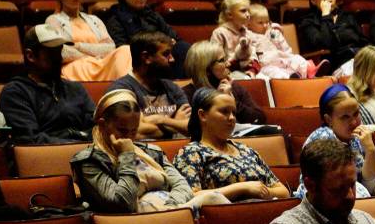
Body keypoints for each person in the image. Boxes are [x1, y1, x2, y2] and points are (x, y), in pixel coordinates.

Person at [71, 89, 228, 213]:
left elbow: (182, 186)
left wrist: (170, 208)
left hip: (171, 212)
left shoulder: (152, 152)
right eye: (122, 130)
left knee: (215, 200)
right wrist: (126, 156)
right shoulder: (89, 161)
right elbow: (123, 204)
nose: (130, 138)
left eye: (134, 131)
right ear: (103, 124)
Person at [173, 87, 290, 201]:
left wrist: (263, 192)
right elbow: (190, 196)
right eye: (224, 111)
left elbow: (283, 192)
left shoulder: (246, 150)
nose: (232, 118)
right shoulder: (191, 153)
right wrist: (242, 188)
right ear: (202, 115)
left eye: (233, 112)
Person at [0, 25, 95, 144]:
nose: (59, 58)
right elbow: (30, 141)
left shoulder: (75, 89)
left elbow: (97, 128)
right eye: (52, 53)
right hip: (45, 159)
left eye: (60, 51)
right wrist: (77, 144)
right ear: (30, 56)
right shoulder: (16, 93)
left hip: (86, 156)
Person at [44, 0, 132, 81]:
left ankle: (127, 93)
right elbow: (62, 52)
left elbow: (110, 48)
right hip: (76, 67)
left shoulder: (94, 19)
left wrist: (79, 46)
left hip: (100, 65)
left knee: (125, 49)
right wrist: (91, 55)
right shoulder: (53, 20)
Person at [294, 84, 375, 198]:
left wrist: (371, 151)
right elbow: (333, 194)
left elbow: (371, 189)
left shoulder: (356, 138)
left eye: (356, 114)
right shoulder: (321, 142)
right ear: (329, 120)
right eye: (345, 117)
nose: (354, 122)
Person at [104, 0, 190, 77]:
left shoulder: (152, 14)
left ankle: (182, 85)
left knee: (183, 47)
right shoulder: (115, 18)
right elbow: (122, 50)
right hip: (141, 61)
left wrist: (169, 43)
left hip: (163, 55)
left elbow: (174, 37)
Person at [109, 31, 190, 139]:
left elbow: (193, 128)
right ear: (146, 57)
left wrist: (162, 120)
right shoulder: (122, 89)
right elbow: (135, 132)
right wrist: (176, 124)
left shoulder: (172, 87)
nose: (172, 59)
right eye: (166, 54)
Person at [297, 0, 374, 75]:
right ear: (313, 0)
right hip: (336, 65)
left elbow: (364, 41)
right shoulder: (308, 22)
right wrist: (326, 16)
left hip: (359, 59)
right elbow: (324, 43)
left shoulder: (347, 16)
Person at [182, 41, 266, 125]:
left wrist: (233, 102)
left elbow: (259, 119)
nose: (228, 63)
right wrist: (219, 100)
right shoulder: (186, 95)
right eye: (222, 60)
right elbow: (196, 127)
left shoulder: (233, 87)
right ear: (206, 68)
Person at [246, 3, 327, 79]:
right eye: (260, 23)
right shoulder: (249, 37)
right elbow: (252, 57)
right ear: (248, 24)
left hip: (283, 60)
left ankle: (312, 71)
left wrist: (277, 38)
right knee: (274, 72)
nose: (265, 25)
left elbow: (287, 50)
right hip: (266, 65)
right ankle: (291, 78)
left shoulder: (274, 33)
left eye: (267, 22)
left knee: (297, 59)